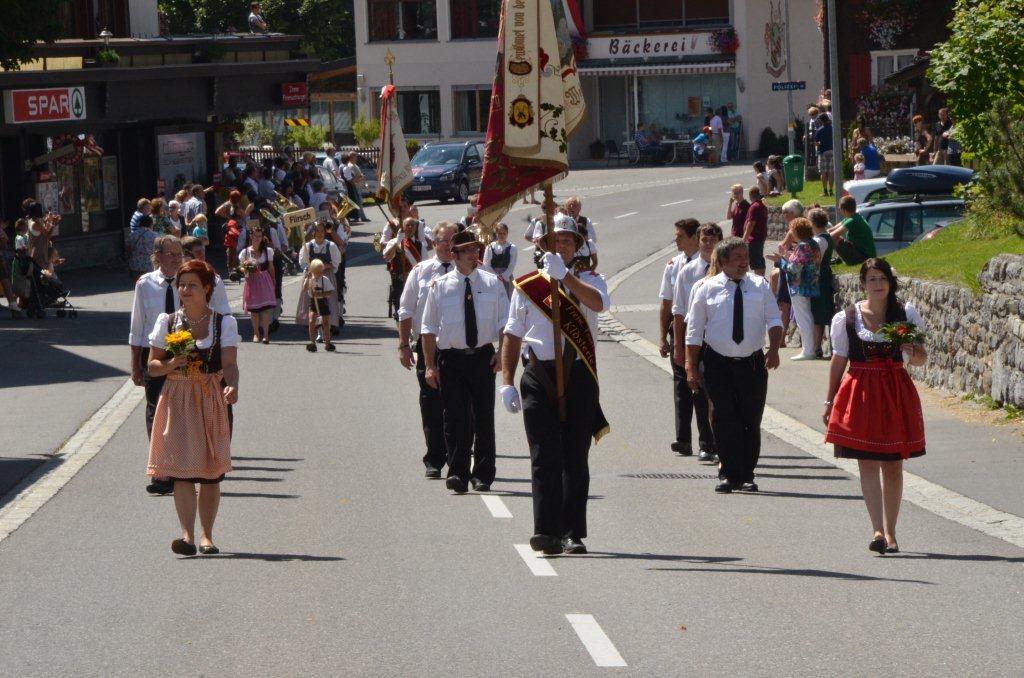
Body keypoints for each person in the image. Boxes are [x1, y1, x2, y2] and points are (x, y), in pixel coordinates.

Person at [500, 214, 611, 556]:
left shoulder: (591, 280)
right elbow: (512, 334)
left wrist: (566, 279)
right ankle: (546, 531)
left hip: (578, 373)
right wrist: (506, 382)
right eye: (556, 239)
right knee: (544, 455)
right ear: (544, 245)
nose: (562, 245)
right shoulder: (528, 286)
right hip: (539, 374)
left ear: (577, 246)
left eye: (568, 240)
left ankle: (572, 532)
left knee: (575, 455)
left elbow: (599, 304)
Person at [824, 258, 927, 554]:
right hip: (860, 392)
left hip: (895, 391)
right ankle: (877, 530)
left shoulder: (905, 313)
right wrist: (829, 400)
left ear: (890, 283)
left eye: (882, 278)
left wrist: (910, 350)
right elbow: (839, 359)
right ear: (863, 284)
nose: (878, 284)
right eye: (872, 279)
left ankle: (891, 532)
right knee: (867, 462)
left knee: (893, 464)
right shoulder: (847, 318)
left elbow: (921, 358)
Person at [146, 259, 239, 556]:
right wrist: (171, 364)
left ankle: (206, 536)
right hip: (177, 398)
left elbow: (229, 364)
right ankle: (186, 536)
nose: (185, 290)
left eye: (192, 285)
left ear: (207, 288)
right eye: (182, 285)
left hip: (211, 397)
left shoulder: (223, 323)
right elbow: (152, 366)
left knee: (211, 473)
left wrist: (232, 385)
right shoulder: (167, 321)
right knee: (181, 472)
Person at [685, 238, 783, 494]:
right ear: (723, 261)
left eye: (745, 256)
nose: (744, 262)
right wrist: (691, 366)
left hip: (752, 363)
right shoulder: (706, 288)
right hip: (717, 363)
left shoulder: (760, 285)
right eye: (738, 257)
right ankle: (728, 474)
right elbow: (694, 332)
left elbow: (774, 319)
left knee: (750, 418)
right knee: (723, 417)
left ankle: (747, 474)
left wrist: (774, 349)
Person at [421, 230, 509, 494]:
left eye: (476, 249)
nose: (474, 254)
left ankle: (482, 475)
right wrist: (429, 365)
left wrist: (501, 353)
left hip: (483, 357)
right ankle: (458, 472)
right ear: (454, 255)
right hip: (452, 360)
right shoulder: (440, 285)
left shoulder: (493, 283)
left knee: (484, 419)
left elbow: (506, 323)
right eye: (468, 250)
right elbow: (428, 328)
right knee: (454, 418)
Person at [398, 222, 457, 478]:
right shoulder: (420, 272)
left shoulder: (468, 271)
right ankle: (434, 458)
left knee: (459, 404)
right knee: (431, 404)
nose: (449, 246)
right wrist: (403, 345)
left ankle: (457, 456)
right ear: (434, 243)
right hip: (428, 346)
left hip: (456, 346)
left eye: (453, 241)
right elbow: (405, 310)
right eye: (444, 241)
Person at [129, 235, 184, 495]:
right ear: (158, 256)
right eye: (171, 254)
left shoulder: (189, 281)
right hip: (154, 354)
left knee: (181, 409)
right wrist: (135, 365)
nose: (176, 259)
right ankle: (162, 471)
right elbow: (137, 327)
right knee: (155, 410)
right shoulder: (144, 284)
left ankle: (181, 465)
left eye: (179, 253)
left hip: (184, 351)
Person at [663, 219, 715, 459]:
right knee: (688, 389)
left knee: (707, 392)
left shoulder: (725, 270)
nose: (708, 244)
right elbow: (676, 309)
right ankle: (690, 440)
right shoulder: (683, 269)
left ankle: (710, 442)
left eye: (713, 240)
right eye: (705, 240)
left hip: (714, 338)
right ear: (698, 240)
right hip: (689, 336)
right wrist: (675, 343)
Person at [767, 217, 821, 361]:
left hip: (800, 286)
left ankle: (808, 351)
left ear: (797, 231)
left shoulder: (803, 246)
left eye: (792, 230)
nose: (790, 233)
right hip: (809, 284)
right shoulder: (813, 243)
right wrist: (786, 257)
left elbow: (794, 269)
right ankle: (809, 349)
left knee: (803, 317)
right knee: (806, 316)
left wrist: (780, 261)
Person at [297, 221, 343, 338]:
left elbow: (336, 263)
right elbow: (303, 263)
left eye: (322, 231)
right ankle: (317, 331)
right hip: (312, 277)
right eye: (317, 231)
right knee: (312, 303)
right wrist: (310, 269)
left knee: (327, 302)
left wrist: (325, 266)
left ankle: (325, 329)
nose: (320, 233)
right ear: (314, 232)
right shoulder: (308, 246)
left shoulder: (331, 245)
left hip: (326, 276)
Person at [238, 226, 276, 344]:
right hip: (252, 281)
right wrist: (246, 268)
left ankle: (266, 335)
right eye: (255, 236)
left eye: (259, 236)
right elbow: (241, 267)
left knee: (265, 310)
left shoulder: (267, 251)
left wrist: (273, 280)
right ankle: (256, 333)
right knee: (254, 310)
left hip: (264, 280)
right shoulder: (245, 252)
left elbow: (270, 267)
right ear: (251, 236)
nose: (257, 238)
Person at [808, 208, 836, 358]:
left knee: (818, 314)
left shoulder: (820, 240)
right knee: (819, 312)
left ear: (813, 223)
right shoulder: (824, 237)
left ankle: (817, 346)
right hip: (822, 277)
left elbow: (814, 261)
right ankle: (817, 346)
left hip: (820, 278)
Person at [830, 196, 876, 265]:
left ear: (843, 210)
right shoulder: (853, 217)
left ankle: (824, 261)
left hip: (865, 257)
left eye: (839, 208)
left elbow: (831, 236)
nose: (839, 210)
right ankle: (838, 259)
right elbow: (831, 230)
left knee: (834, 238)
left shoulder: (853, 220)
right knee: (835, 238)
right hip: (861, 253)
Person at [303, 258, 336, 353]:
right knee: (311, 320)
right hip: (313, 302)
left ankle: (327, 343)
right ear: (312, 271)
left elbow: (330, 292)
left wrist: (321, 294)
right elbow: (304, 289)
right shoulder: (310, 279)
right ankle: (312, 342)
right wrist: (307, 278)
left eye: (321, 272)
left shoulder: (324, 280)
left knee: (326, 322)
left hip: (323, 302)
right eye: (316, 272)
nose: (319, 274)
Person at [563, 196, 598, 272]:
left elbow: (593, 239)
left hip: (583, 255)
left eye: (574, 205)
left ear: (579, 208)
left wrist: (581, 236)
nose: (571, 207)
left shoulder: (586, 220)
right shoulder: (563, 221)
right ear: (566, 208)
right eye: (569, 205)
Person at [483, 223, 517, 297]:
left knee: (507, 297)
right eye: (500, 233)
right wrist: (495, 276)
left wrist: (503, 276)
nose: (502, 236)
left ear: (507, 234)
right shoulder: (490, 247)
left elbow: (512, 265)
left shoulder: (512, 248)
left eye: (504, 233)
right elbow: (486, 264)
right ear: (496, 234)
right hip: (493, 277)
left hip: (506, 277)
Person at [741, 185, 768, 276]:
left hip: (754, 238)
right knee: (759, 259)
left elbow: (750, 224)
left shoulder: (755, 207)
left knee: (756, 262)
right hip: (760, 237)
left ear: (750, 195)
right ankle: (762, 277)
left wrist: (744, 239)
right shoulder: (762, 206)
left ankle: (759, 279)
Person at [127, 215, 158, 282]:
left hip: (135, 265)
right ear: (151, 224)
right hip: (150, 265)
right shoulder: (155, 235)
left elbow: (128, 250)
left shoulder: (132, 235)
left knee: (138, 285)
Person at [814, 113, 835, 196]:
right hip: (832, 151)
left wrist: (820, 143)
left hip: (823, 152)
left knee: (823, 172)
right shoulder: (833, 128)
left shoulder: (819, 130)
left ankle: (825, 191)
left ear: (821, 120)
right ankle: (831, 191)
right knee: (831, 172)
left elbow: (816, 143)